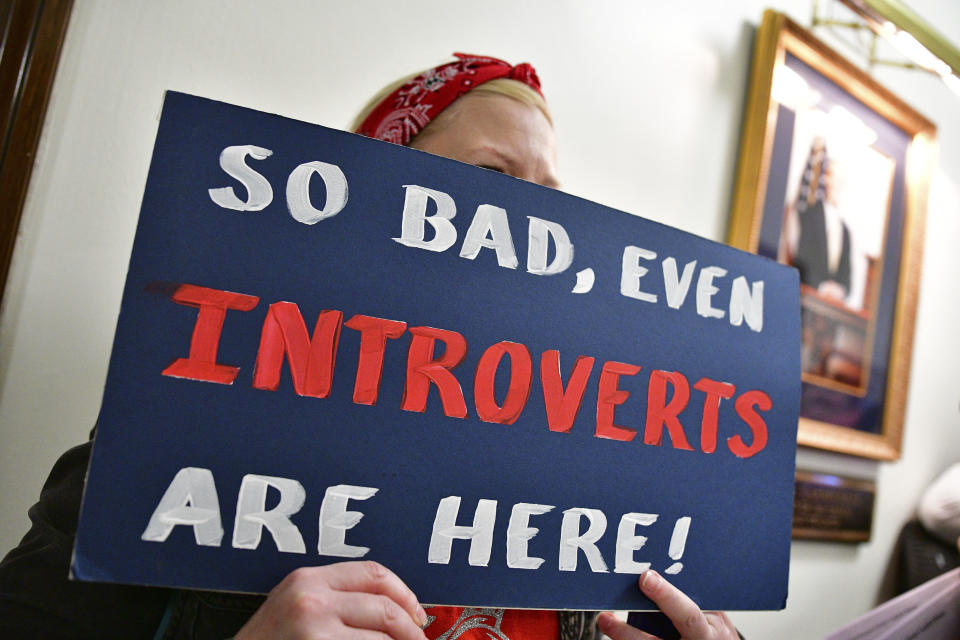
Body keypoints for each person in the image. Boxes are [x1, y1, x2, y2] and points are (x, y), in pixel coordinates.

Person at [0, 53, 740, 640]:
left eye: (551, 195)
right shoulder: (190, 414)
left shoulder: (605, 457)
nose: (530, 221)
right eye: (492, 174)